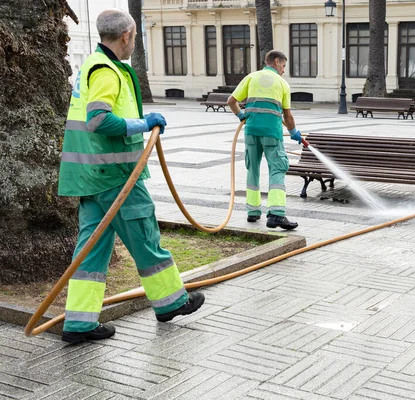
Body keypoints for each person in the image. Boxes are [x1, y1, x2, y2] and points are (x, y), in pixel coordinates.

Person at [57, 9, 204, 344]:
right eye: (134, 37)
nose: (133, 42)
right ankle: (171, 302)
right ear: (126, 35)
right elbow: (98, 120)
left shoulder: (92, 65)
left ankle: (78, 324)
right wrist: (144, 122)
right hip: (116, 175)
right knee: (144, 236)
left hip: (92, 175)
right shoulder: (108, 70)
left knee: (91, 250)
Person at [227, 50, 302, 230]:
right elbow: (288, 115)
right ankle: (276, 214)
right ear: (276, 62)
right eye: (283, 66)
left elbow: (231, 101)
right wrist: (293, 132)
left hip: (251, 131)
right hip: (272, 134)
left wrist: (241, 116)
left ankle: (252, 212)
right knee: (278, 168)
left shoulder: (251, 78)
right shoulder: (282, 83)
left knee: (252, 169)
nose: (284, 70)